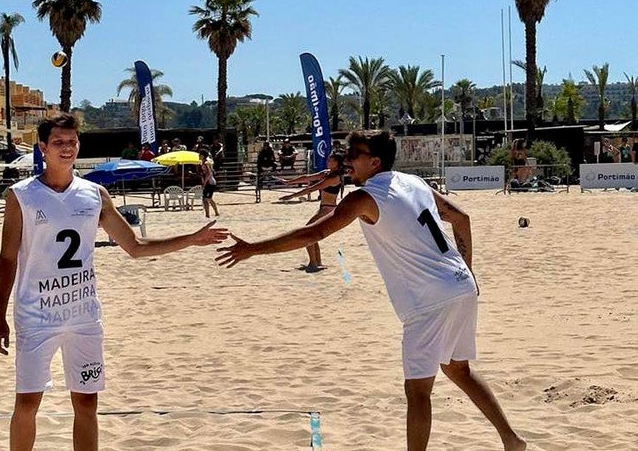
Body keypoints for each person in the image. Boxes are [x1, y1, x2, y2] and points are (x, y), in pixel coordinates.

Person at [216, 130, 526, 451]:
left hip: (429, 301)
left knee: (418, 392)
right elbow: (462, 218)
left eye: (354, 154)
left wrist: (253, 248)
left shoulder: (365, 197)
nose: (347, 160)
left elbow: (313, 233)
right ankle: (512, 440)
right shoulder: (415, 182)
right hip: (461, 287)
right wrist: (467, 272)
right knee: (458, 369)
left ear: (374, 162)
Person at [0, 113, 228, 451]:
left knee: (87, 405)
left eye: (72, 141)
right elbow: (8, 259)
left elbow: (135, 246)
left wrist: (191, 239)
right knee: (28, 403)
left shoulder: (94, 194)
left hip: (84, 317)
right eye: (58, 142)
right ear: (42, 147)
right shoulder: (22, 196)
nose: (67, 148)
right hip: (37, 317)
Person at [276, 151, 347, 272]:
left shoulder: (335, 177)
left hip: (328, 209)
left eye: (331, 160)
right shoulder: (327, 173)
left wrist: (292, 195)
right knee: (311, 233)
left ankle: (313, 263)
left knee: (307, 233)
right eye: (328, 159)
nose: (327, 161)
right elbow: (307, 178)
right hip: (324, 207)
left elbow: (313, 188)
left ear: (337, 163)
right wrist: (289, 182)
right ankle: (317, 262)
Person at [199, 149, 220, 219]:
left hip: (210, 183)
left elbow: (209, 174)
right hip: (207, 183)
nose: (199, 156)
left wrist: (204, 183)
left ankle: (216, 212)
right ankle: (207, 214)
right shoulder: (202, 163)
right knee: (205, 199)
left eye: (200, 155)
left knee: (208, 198)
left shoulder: (206, 163)